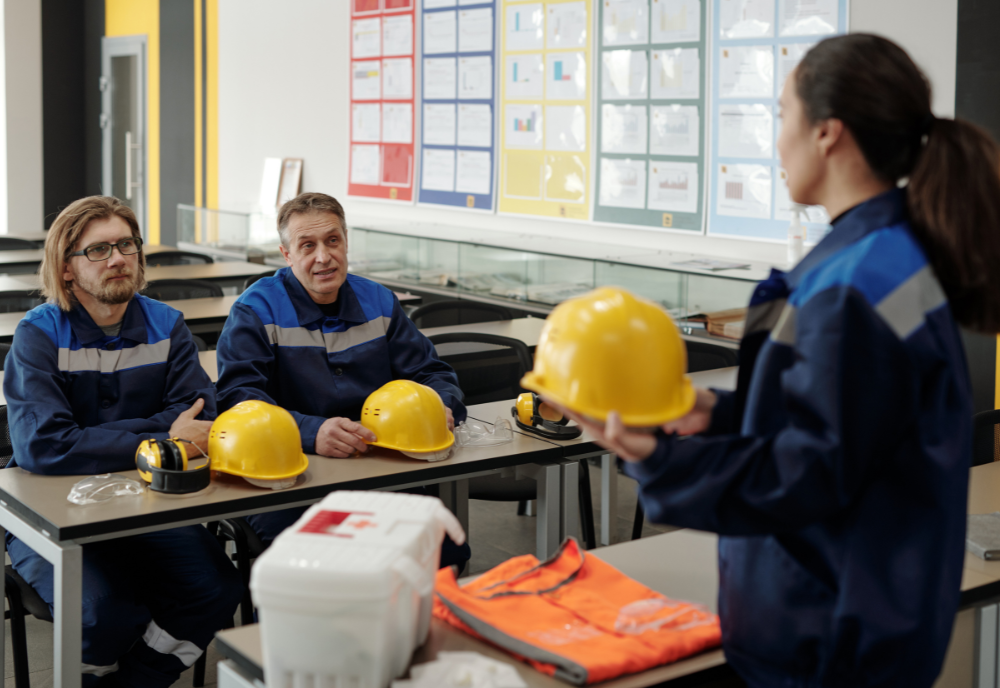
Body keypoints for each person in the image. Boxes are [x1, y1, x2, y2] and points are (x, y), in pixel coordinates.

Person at [555, 34, 1000, 687]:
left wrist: (658, 457)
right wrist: (712, 410)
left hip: (831, 638)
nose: (776, 139)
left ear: (828, 133)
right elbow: (847, 416)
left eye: (781, 116)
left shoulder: (854, 282)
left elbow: (806, 472)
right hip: (870, 613)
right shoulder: (888, 258)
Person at [3, 196, 242, 687]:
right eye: (98, 250)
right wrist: (159, 435)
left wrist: (107, 439)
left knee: (215, 588)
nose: (117, 258)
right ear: (67, 269)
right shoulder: (39, 335)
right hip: (52, 514)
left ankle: (134, 682)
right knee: (101, 615)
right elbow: (45, 447)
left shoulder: (165, 324)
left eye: (126, 245)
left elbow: (200, 419)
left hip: (146, 506)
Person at [215, 192, 470, 563]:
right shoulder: (255, 311)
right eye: (307, 245)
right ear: (287, 255)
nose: (323, 256)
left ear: (346, 242)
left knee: (443, 548)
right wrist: (310, 431)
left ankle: (413, 622)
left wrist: (440, 404)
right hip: (286, 477)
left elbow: (432, 373)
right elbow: (239, 399)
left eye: (332, 240)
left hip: (379, 468)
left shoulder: (379, 302)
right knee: (319, 563)